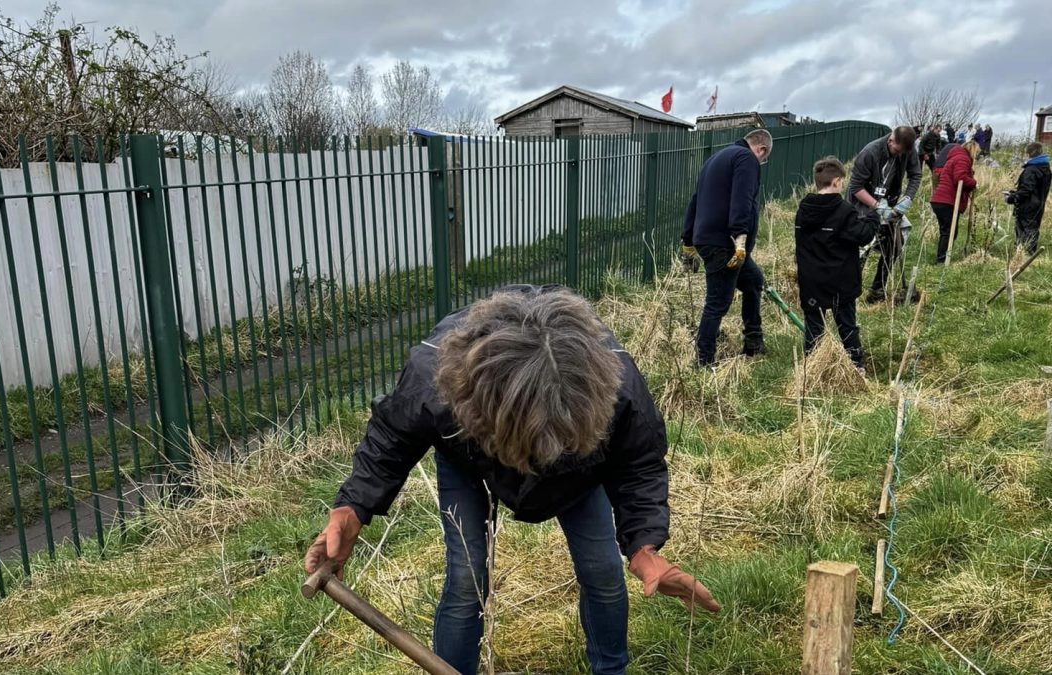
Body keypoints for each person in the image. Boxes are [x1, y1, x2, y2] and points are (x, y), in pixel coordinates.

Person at [304, 285, 721, 674]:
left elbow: (640, 464)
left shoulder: (615, 385)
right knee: (467, 581)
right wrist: (352, 508)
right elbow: (393, 434)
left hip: (575, 474)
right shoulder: (437, 377)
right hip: (470, 461)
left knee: (604, 573)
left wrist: (644, 546)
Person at [680, 129, 773, 366]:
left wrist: (688, 239)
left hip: (708, 238)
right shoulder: (746, 159)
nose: (761, 163)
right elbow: (743, 200)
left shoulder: (716, 159)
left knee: (753, 282)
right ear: (761, 149)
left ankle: (753, 342)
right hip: (726, 243)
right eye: (764, 159)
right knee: (718, 302)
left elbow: (695, 199)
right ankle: (704, 360)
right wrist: (740, 238)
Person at [795, 157, 878, 371]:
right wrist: (873, 219)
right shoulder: (843, 210)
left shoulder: (803, 209)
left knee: (813, 327)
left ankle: (811, 369)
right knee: (847, 325)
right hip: (841, 281)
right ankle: (856, 366)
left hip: (811, 279)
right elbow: (863, 236)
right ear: (836, 182)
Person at [846, 126, 922, 303]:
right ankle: (850, 291)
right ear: (890, 141)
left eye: (903, 152)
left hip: (892, 202)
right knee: (861, 249)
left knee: (895, 244)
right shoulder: (870, 153)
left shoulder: (907, 150)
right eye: (897, 150)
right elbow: (855, 187)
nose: (899, 154)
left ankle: (877, 290)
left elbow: (916, 175)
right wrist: (876, 205)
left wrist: (908, 198)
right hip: (863, 206)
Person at [930, 141, 979, 263]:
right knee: (949, 231)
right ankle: (942, 260)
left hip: (939, 200)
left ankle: (942, 257)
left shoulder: (955, 157)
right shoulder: (963, 158)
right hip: (947, 201)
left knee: (946, 231)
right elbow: (960, 178)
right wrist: (973, 182)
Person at [1005, 142, 1051, 254]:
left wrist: (1011, 198)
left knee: (1025, 229)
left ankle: (1024, 254)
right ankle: (1026, 253)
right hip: (1038, 203)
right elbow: (1033, 188)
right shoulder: (1045, 168)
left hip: (1027, 205)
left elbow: (1025, 191)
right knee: (1032, 228)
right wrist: (1014, 193)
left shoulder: (1031, 170)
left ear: (1029, 154)